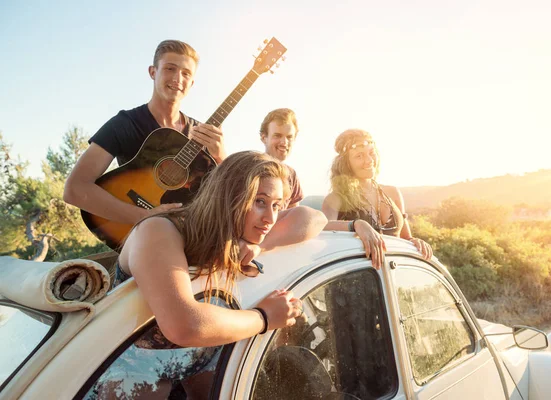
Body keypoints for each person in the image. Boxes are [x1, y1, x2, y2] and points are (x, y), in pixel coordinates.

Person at [117, 151, 328, 347]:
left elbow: (315, 218)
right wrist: (264, 317)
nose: (270, 219)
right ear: (229, 198)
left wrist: (261, 246)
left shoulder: (241, 229)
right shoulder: (158, 230)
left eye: (276, 205)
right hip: (123, 369)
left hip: (188, 364)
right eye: (260, 201)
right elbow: (183, 326)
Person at [64, 39, 227, 225]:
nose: (177, 79)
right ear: (153, 72)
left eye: (186, 73)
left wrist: (221, 158)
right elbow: (74, 189)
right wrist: (143, 217)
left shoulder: (202, 135)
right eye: (170, 69)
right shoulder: (126, 123)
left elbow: (224, 199)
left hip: (188, 234)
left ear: (192, 83)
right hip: (139, 237)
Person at [322, 129, 433, 269]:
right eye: (359, 156)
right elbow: (322, 229)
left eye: (371, 153)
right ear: (346, 163)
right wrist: (356, 225)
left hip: (390, 281)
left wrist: (415, 242)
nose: (369, 160)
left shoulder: (392, 193)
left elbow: (405, 238)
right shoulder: (336, 199)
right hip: (354, 280)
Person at [259, 108, 304, 208]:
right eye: (277, 136)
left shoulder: (292, 175)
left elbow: (293, 216)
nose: (284, 142)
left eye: (289, 137)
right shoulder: (250, 168)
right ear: (264, 138)